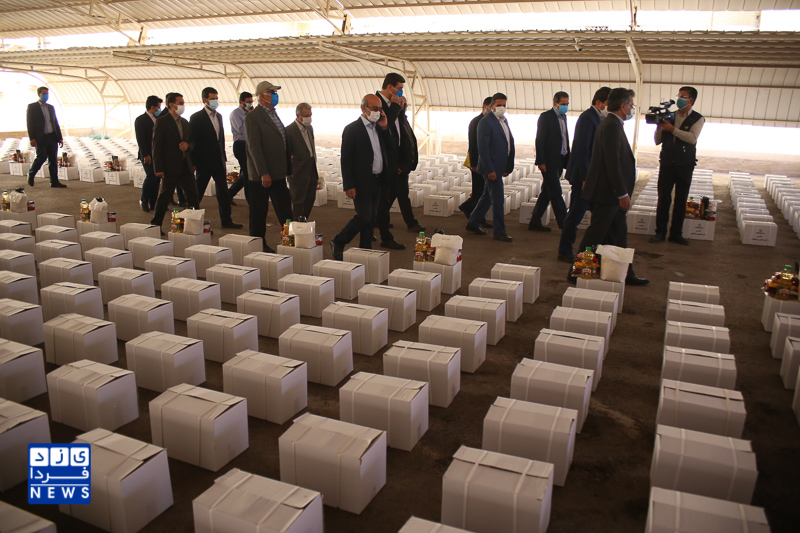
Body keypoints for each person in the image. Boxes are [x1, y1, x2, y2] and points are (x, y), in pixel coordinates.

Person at [568, 87, 648, 287]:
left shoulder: (612, 123)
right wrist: (622, 193)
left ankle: (626, 272)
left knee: (619, 234)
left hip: (609, 192)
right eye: (631, 105)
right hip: (608, 193)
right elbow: (613, 163)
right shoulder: (611, 125)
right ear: (623, 105)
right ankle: (577, 271)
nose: (632, 109)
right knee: (595, 234)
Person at [330, 94, 392, 260]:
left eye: (380, 109)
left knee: (371, 218)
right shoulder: (352, 129)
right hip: (361, 181)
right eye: (374, 108)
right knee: (364, 216)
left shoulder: (379, 128)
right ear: (363, 108)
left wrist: (385, 127)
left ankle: (365, 249)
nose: (378, 112)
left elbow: (391, 147)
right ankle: (339, 241)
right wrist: (349, 184)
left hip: (377, 179)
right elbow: (346, 159)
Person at [557, 87, 612, 262]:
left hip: (594, 178)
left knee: (599, 216)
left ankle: (597, 250)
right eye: (608, 103)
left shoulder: (601, 118)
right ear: (599, 102)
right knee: (575, 214)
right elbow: (582, 150)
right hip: (584, 178)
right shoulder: (587, 118)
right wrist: (585, 178)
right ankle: (564, 250)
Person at [650, 86, 705, 246]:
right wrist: (659, 126)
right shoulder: (669, 116)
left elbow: (692, 138)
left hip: (685, 165)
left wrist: (672, 129)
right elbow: (657, 141)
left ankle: (676, 234)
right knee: (663, 199)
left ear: (691, 100)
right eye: (679, 95)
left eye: (683, 96)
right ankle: (660, 232)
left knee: (681, 200)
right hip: (667, 163)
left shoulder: (697, 118)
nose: (679, 98)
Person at [245, 81, 294, 252]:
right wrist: (263, 172)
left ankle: (291, 239)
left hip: (278, 172)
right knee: (259, 212)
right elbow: (254, 147)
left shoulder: (274, 114)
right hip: (262, 175)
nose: (274, 95)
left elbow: (282, 142)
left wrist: (288, 168)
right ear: (261, 96)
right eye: (271, 92)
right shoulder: (253, 117)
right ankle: (258, 245)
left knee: (285, 209)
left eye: (275, 92)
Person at [376, 73, 424, 237]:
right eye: (399, 88)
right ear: (390, 87)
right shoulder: (377, 103)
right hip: (387, 158)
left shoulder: (394, 103)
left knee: (398, 191)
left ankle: (381, 219)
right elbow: (385, 126)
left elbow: (399, 126)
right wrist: (396, 107)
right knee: (392, 193)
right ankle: (397, 222)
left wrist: (401, 108)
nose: (401, 92)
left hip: (398, 156)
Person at [465, 92, 515, 243]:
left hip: (500, 165)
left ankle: (473, 222)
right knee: (498, 199)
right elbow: (483, 149)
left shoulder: (504, 121)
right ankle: (499, 231)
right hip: (492, 167)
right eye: (499, 105)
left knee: (487, 196)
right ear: (492, 106)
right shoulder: (485, 122)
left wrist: (508, 165)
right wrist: (490, 170)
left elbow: (507, 143)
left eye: (504, 105)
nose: (502, 108)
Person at [190, 87, 242, 229]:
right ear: (205, 100)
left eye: (216, 98)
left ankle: (226, 219)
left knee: (223, 192)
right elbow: (193, 141)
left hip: (218, 161)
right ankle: (191, 219)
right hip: (204, 162)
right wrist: (194, 162)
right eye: (212, 99)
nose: (215, 101)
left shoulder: (218, 116)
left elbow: (220, 139)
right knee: (198, 192)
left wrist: (223, 156)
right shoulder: (197, 118)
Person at [150, 93, 200, 232]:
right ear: (172, 105)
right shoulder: (162, 121)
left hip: (185, 165)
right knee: (165, 196)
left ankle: (195, 225)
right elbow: (156, 146)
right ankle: (155, 225)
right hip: (170, 166)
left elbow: (192, 141)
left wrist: (188, 146)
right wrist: (158, 168)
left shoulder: (184, 122)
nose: (183, 105)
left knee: (193, 196)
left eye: (183, 103)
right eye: (180, 103)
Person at [529, 91, 571, 231]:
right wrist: (541, 161)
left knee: (547, 192)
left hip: (560, 160)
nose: (565, 106)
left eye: (567, 104)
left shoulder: (564, 118)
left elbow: (564, 139)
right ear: (555, 103)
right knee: (556, 193)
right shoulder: (546, 117)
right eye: (563, 104)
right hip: (548, 162)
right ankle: (565, 225)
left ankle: (535, 221)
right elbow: (540, 140)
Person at [459, 96, 493, 223]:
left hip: (486, 161)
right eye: (493, 107)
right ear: (485, 107)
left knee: (482, 189)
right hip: (477, 161)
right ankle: (477, 217)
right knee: (479, 190)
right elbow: (473, 144)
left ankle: (468, 207)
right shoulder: (476, 122)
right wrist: (474, 163)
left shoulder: (491, 121)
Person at [26, 87, 66, 188]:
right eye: (44, 93)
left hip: (52, 136)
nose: (46, 96)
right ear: (39, 94)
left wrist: (60, 137)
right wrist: (32, 138)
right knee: (41, 157)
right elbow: (30, 123)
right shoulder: (32, 107)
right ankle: (31, 173)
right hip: (41, 137)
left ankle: (54, 181)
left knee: (53, 159)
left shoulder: (50, 107)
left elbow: (55, 123)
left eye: (47, 94)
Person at [285, 103, 319, 220]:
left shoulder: (309, 128)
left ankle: (304, 220)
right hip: (297, 171)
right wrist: (289, 171)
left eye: (310, 115)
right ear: (298, 116)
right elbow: (286, 153)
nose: (309, 118)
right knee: (298, 201)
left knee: (310, 198)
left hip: (311, 169)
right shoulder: (289, 131)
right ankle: (297, 224)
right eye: (306, 116)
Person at [135, 95, 163, 212]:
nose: (159, 109)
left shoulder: (159, 119)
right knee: (151, 176)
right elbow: (140, 139)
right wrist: (145, 154)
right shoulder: (141, 120)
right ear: (152, 107)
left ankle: (153, 202)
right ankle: (144, 200)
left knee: (157, 178)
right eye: (158, 107)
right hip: (147, 154)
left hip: (158, 154)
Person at [228, 91, 253, 206]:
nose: (250, 104)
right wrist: (249, 116)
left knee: (246, 173)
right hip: (240, 145)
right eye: (248, 102)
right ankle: (250, 201)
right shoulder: (235, 114)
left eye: (251, 101)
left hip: (249, 145)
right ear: (242, 102)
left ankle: (229, 194)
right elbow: (241, 130)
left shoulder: (251, 113)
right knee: (247, 174)